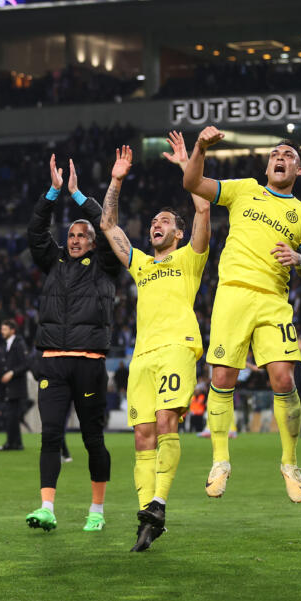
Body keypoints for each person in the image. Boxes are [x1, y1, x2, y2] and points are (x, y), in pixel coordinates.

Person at [183, 126, 301, 503]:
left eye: (290, 156)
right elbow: (192, 181)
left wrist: (299, 260)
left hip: (274, 301)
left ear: (299, 171)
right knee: (223, 375)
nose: (281, 157)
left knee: (282, 377)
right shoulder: (244, 188)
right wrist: (199, 147)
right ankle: (220, 461)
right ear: (267, 165)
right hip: (233, 294)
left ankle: (290, 463)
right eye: (276, 153)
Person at [100, 137, 210, 552]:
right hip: (141, 356)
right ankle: (148, 515)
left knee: (167, 424)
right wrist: (116, 182)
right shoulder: (143, 264)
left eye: (164, 221)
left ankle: (159, 502)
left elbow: (203, 206)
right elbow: (109, 226)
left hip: (177, 348)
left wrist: (188, 164)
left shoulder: (190, 258)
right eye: (153, 222)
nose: (155, 225)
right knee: (142, 435)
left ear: (178, 234)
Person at [25, 155, 118, 533]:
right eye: (72, 235)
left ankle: (96, 509)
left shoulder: (107, 264)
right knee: (50, 435)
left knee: (93, 439)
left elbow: (109, 226)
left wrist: (78, 195)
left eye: (83, 235)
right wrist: (52, 192)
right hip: (52, 362)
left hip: (89, 363)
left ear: (94, 242)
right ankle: (47, 507)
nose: (76, 239)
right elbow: (35, 231)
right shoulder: (53, 263)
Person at [0, 319, 30, 451]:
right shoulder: (7, 344)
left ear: (13, 330)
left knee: (11, 415)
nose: (2, 332)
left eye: (4, 329)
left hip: (16, 386)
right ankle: (17, 443)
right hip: (10, 387)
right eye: (2, 329)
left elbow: (26, 364)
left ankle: (11, 443)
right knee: (13, 416)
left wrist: (12, 372)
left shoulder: (19, 344)